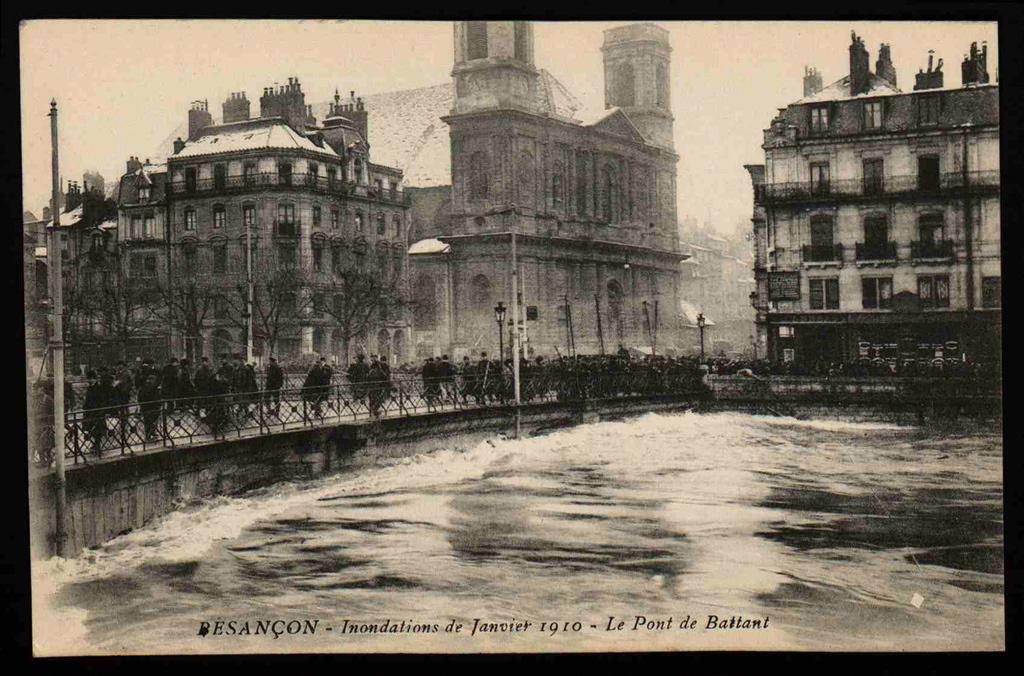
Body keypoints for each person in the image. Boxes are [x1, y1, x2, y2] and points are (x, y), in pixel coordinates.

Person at [137, 373, 162, 442]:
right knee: (151, 421)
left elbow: (139, 398)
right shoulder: (153, 387)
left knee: (149, 421)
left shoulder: (143, 387)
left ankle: (150, 433)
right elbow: (156, 397)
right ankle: (149, 435)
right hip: (152, 407)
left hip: (146, 407)